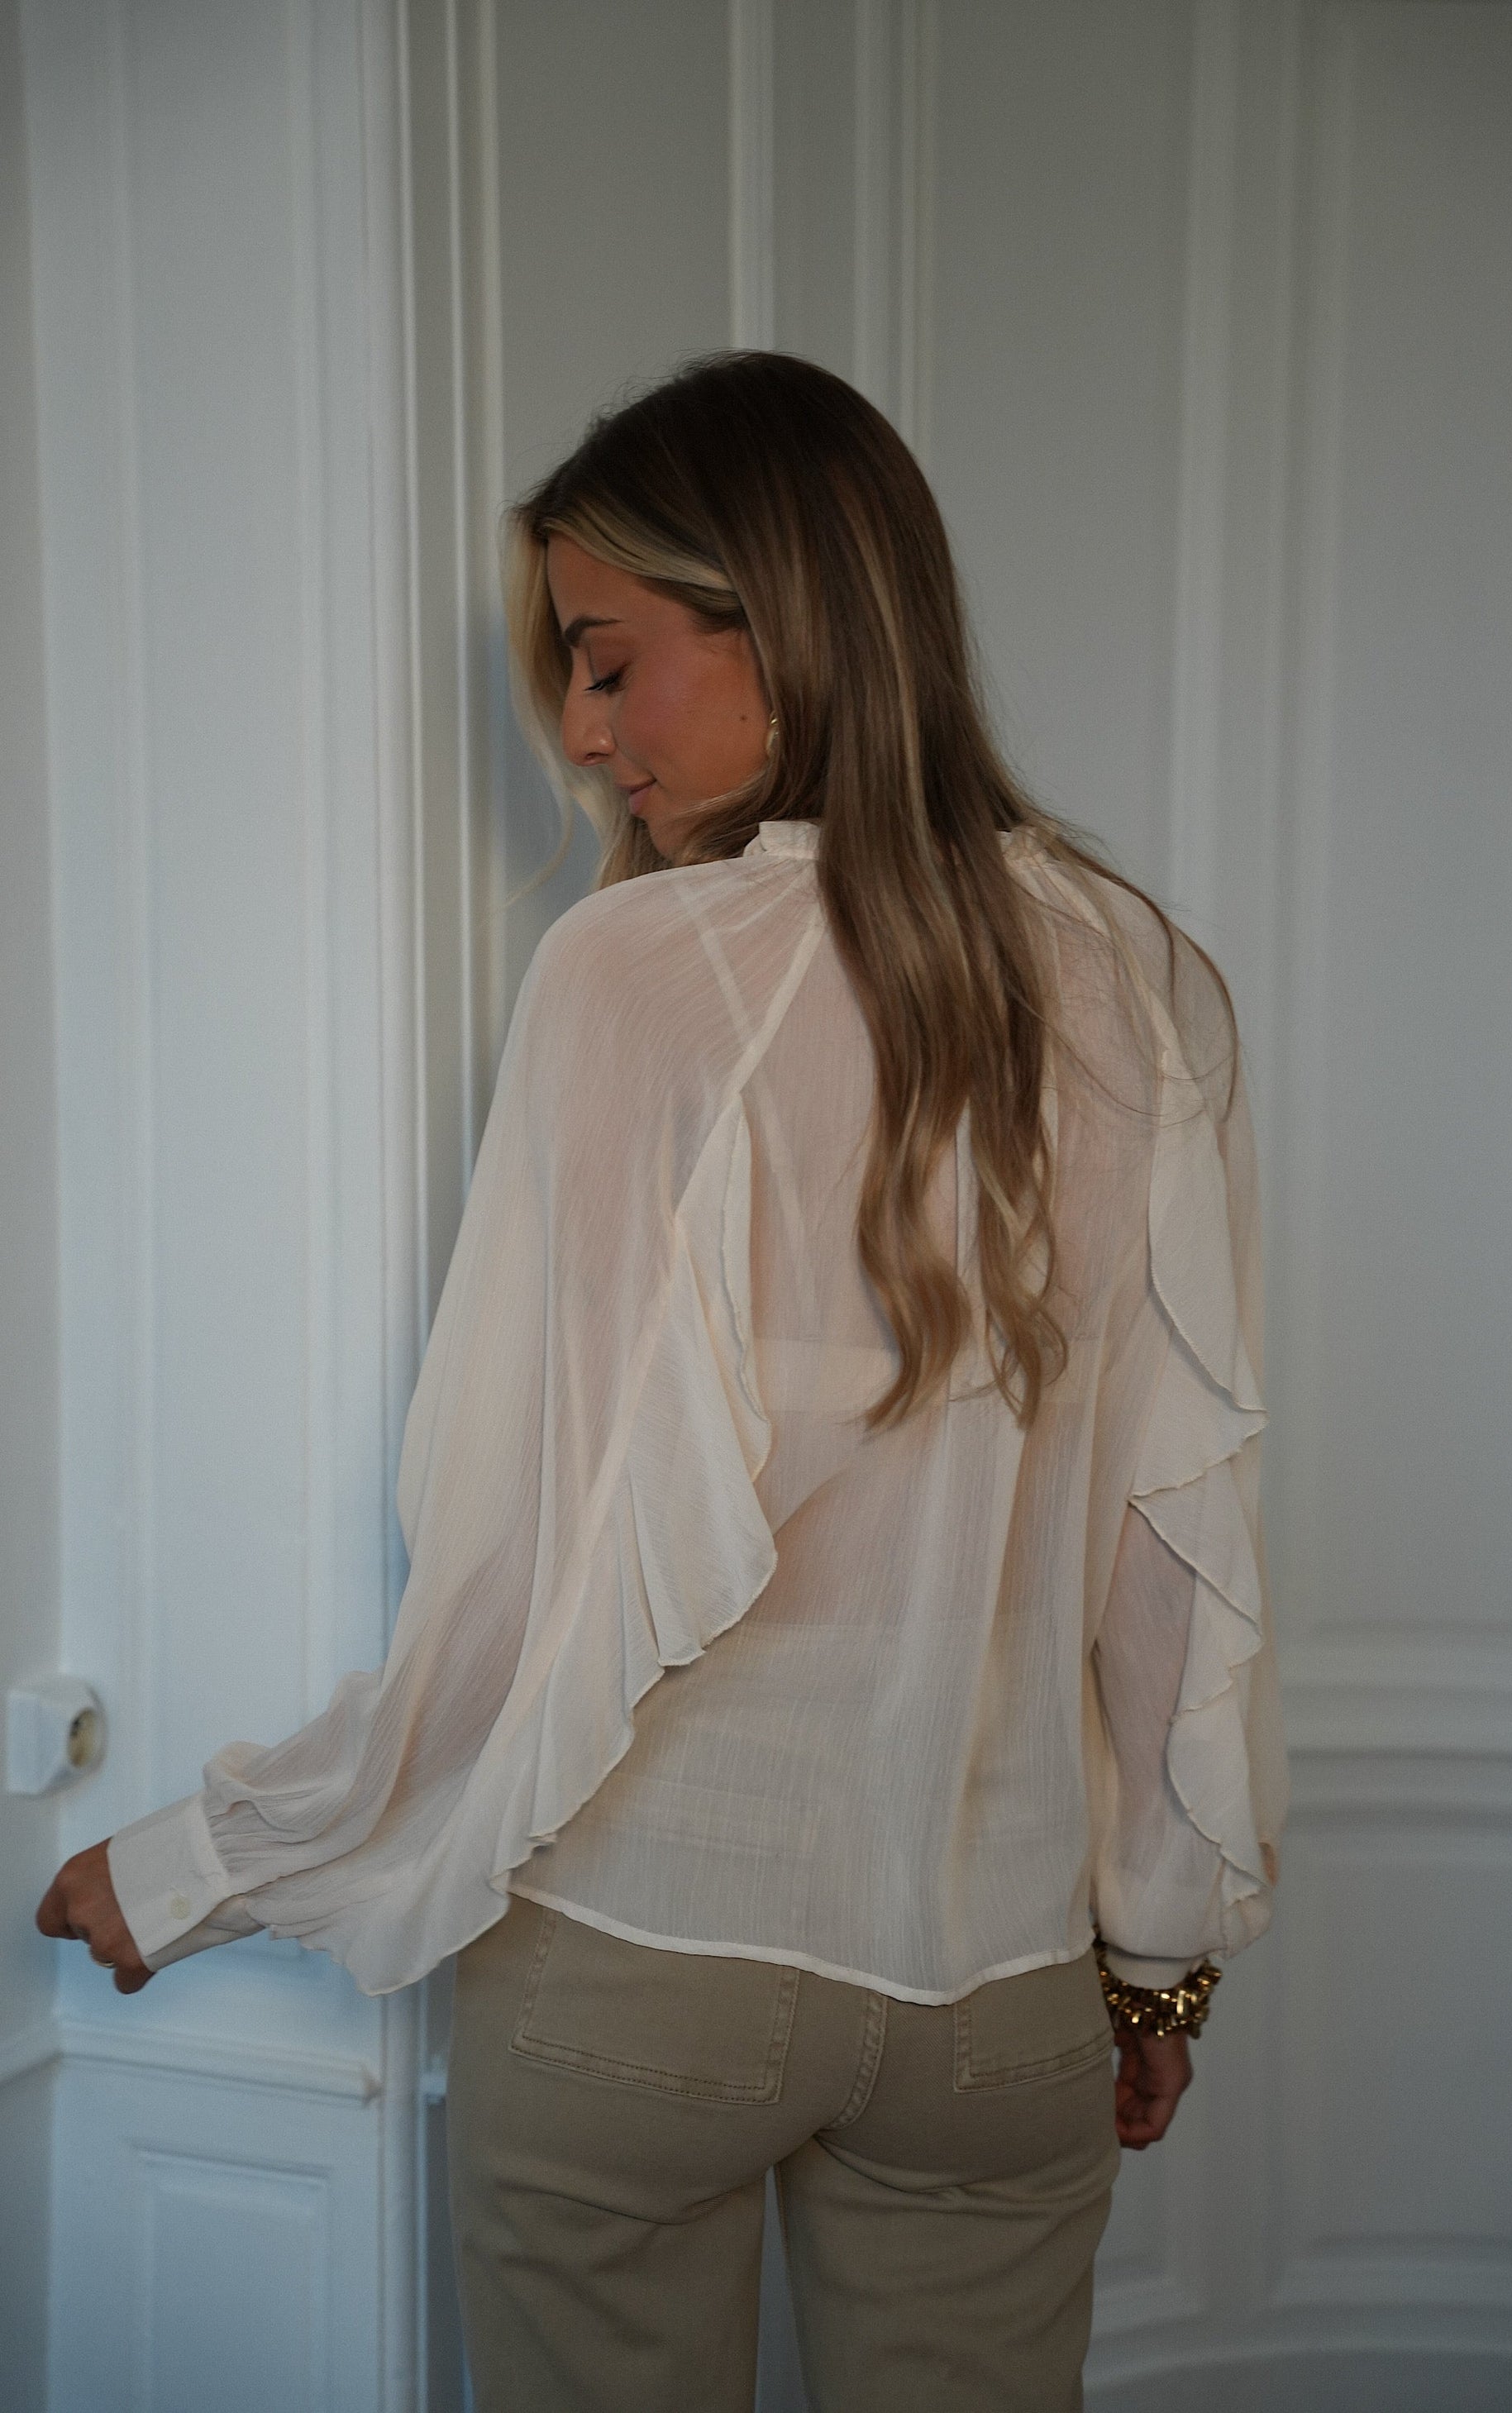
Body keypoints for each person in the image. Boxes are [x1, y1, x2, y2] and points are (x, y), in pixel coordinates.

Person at [38, 351, 1286, 2411]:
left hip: (643, 1954)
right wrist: (1157, 1953)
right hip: (994, 1987)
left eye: (609, 660)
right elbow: (1174, 1533)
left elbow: (520, 1565)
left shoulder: (631, 975)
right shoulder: (1135, 984)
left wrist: (202, 1860)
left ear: (785, 620)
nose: (577, 730)